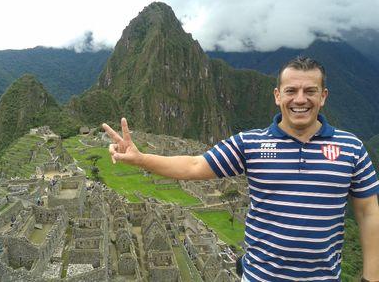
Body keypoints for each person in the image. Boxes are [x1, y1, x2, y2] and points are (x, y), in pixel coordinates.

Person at [102, 56, 379, 282]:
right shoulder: (250, 143)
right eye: (291, 91)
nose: (300, 99)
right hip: (260, 277)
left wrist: (371, 277)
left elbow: (368, 212)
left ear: (323, 96)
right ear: (277, 95)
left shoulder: (351, 148)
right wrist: (141, 159)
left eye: (310, 91)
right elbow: (195, 165)